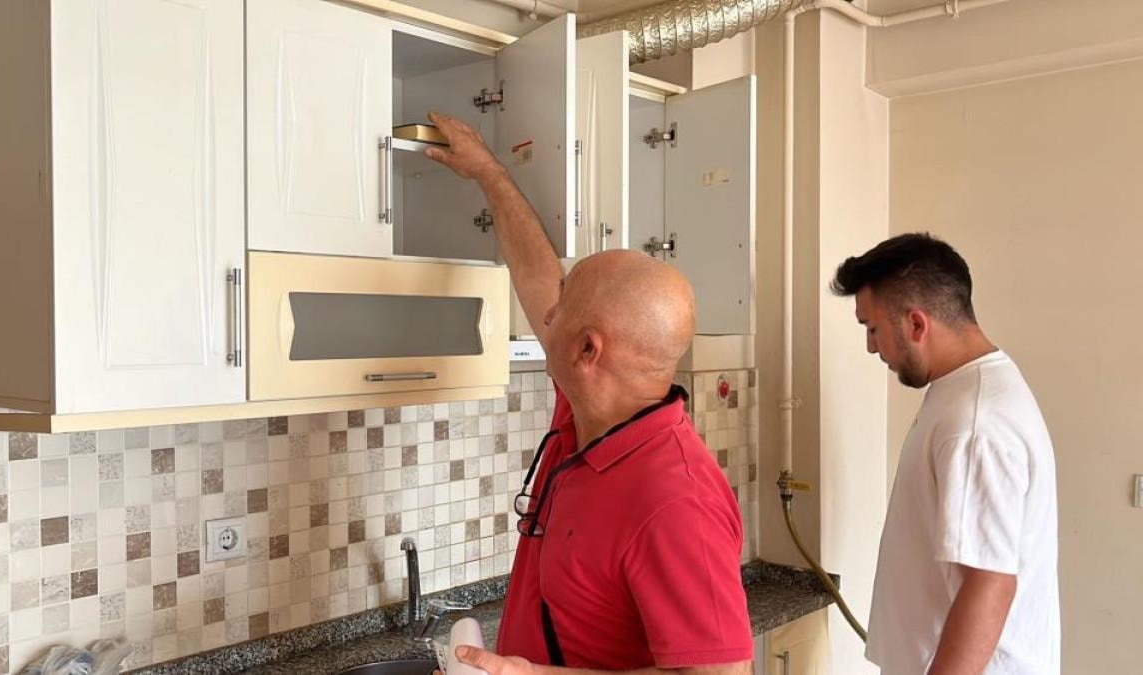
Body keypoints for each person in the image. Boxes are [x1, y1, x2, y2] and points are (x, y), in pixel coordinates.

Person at [423, 111, 754, 675]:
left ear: (587, 350)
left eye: (563, 305)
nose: (547, 313)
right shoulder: (589, 414)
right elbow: (535, 275)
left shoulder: (676, 501)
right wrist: (489, 174)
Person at [831, 233, 1060, 674]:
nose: (871, 347)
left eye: (872, 328)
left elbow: (989, 584)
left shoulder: (974, 424)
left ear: (916, 324)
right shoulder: (968, 391)